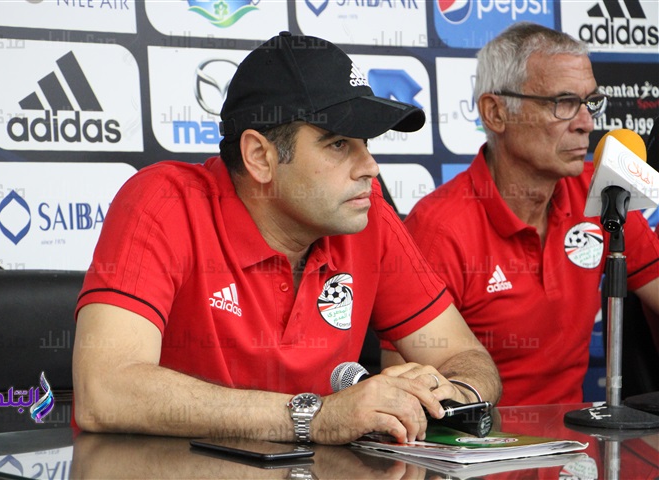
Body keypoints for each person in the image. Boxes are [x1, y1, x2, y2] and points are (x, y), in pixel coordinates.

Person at [72, 31, 501, 445]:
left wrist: (448, 394)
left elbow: (466, 357)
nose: (370, 167)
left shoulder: (367, 217)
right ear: (260, 156)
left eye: (366, 143)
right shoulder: (164, 203)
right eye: (338, 144)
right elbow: (105, 390)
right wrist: (315, 417)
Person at [385, 22, 659, 406]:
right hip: (481, 440)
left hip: (577, 439)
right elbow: (403, 393)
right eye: (564, 103)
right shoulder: (439, 228)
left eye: (590, 102)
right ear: (495, 113)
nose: (586, 123)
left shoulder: (604, 189)